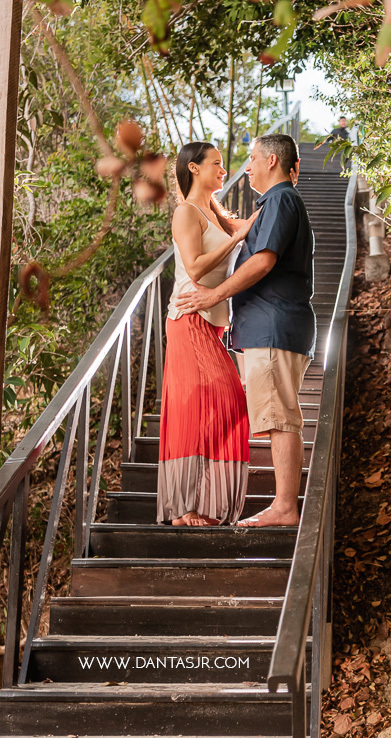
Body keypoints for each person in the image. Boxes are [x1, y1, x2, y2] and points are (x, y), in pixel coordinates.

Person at [174, 133, 313, 528]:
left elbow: (263, 261)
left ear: (272, 161)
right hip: (266, 328)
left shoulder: (282, 199)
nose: (245, 167)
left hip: (273, 327)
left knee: (278, 418)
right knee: (274, 415)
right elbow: (229, 235)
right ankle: (278, 504)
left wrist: (212, 295)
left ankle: (285, 507)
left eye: (251, 159)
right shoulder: (272, 204)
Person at [157, 142, 255, 527]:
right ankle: (187, 506)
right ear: (193, 169)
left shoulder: (214, 211)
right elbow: (195, 269)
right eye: (215, 163)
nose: (223, 168)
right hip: (187, 318)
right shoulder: (185, 212)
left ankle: (202, 505)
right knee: (203, 406)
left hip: (212, 322)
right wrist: (235, 238)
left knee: (222, 404)